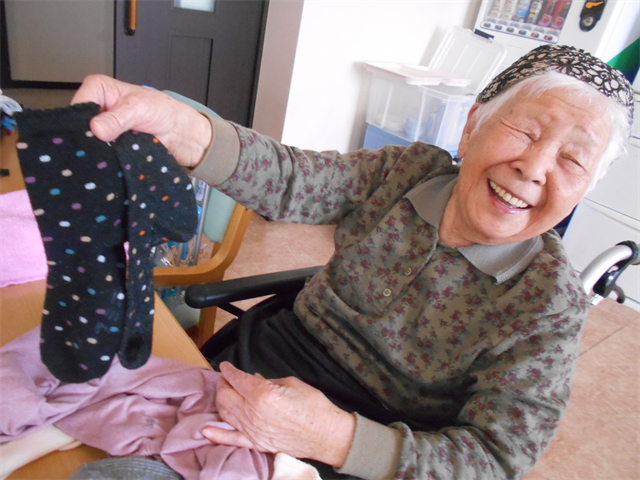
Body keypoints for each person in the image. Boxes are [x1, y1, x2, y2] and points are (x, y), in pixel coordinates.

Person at [70, 45, 633, 479]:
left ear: (586, 187)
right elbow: (291, 178)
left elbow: (494, 458)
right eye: (525, 131)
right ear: (473, 124)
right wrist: (178, 125)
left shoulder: (548, 302)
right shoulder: (407, 172)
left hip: (377, 447)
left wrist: (334, 438)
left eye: (573, 159)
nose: (535, 167)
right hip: (264, 363)